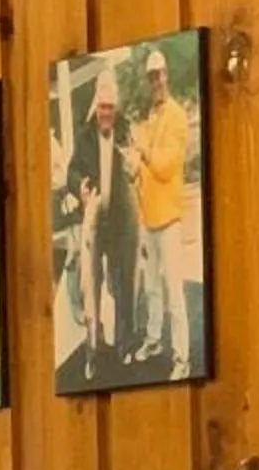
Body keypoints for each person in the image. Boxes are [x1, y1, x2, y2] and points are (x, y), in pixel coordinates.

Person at [60, 66, 141, 386]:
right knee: (90, 287)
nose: (106, 113)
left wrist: (135, 164)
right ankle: (94, 348)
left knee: (123, 286)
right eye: (102, 107)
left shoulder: (124, 130)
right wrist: (79, 185)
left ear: (115, 108)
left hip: (120, 224)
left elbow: (136, 161)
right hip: (94, 224)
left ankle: (125, 345)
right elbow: (71, 172)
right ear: (96, 107)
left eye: (110, 107)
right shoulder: (84, 137)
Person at [130, 45, 196, 377]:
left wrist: (142, 152)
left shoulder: (177, 117)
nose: (155, 81)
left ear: (166, 75)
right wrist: (132, 167)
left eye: (159, 75)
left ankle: (182, 358)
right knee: (151, 288)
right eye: (150, 76)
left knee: (174, 289)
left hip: (169, 218)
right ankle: (154, 340)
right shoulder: (149, 118)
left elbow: (166, 167)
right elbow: (141, 169)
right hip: (147, 217)